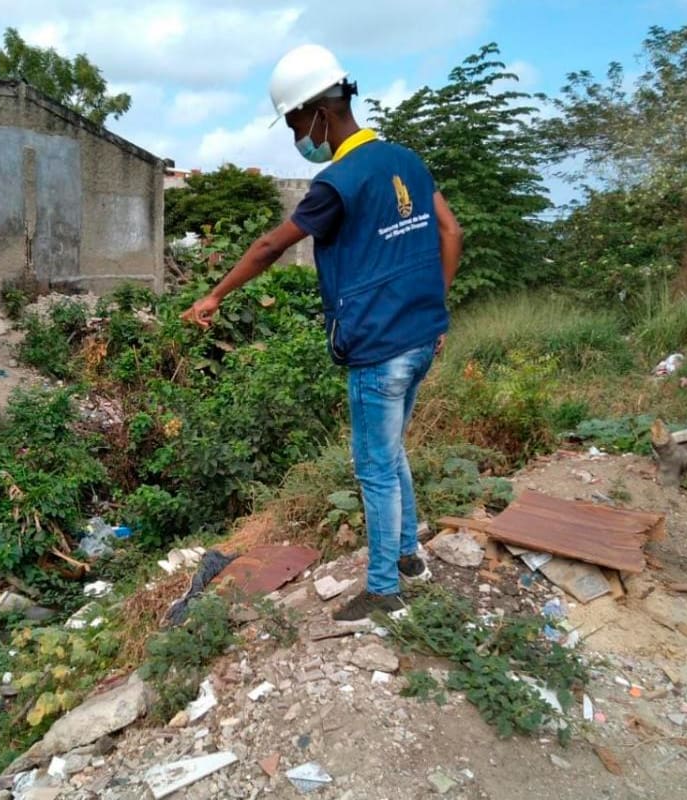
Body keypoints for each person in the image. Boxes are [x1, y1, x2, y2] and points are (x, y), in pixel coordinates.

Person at [181, 44, 463, 621]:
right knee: (392, 453)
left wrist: (213, 295)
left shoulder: (337, 182)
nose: (295, 138)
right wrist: (436, 307)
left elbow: (269, 247)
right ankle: (409, 557)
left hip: (379, 349)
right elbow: (450, 233)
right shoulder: (406, 159)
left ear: (317, 112)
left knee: (375, 467)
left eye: (292, 123)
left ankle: (385, 591)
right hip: (423, 336)